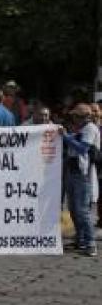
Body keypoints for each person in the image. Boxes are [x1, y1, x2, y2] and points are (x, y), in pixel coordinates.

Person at [63, 104, 100, 256]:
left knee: (82, 210)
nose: (74, 118)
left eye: (76, 116)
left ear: (84, 117)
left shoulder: (90, 128)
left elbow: (82, 148)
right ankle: (81, 239)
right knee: (73, 209)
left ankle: (90, 243)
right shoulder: (81, 129)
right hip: (73, 172)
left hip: (82, 174)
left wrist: (65, 136)